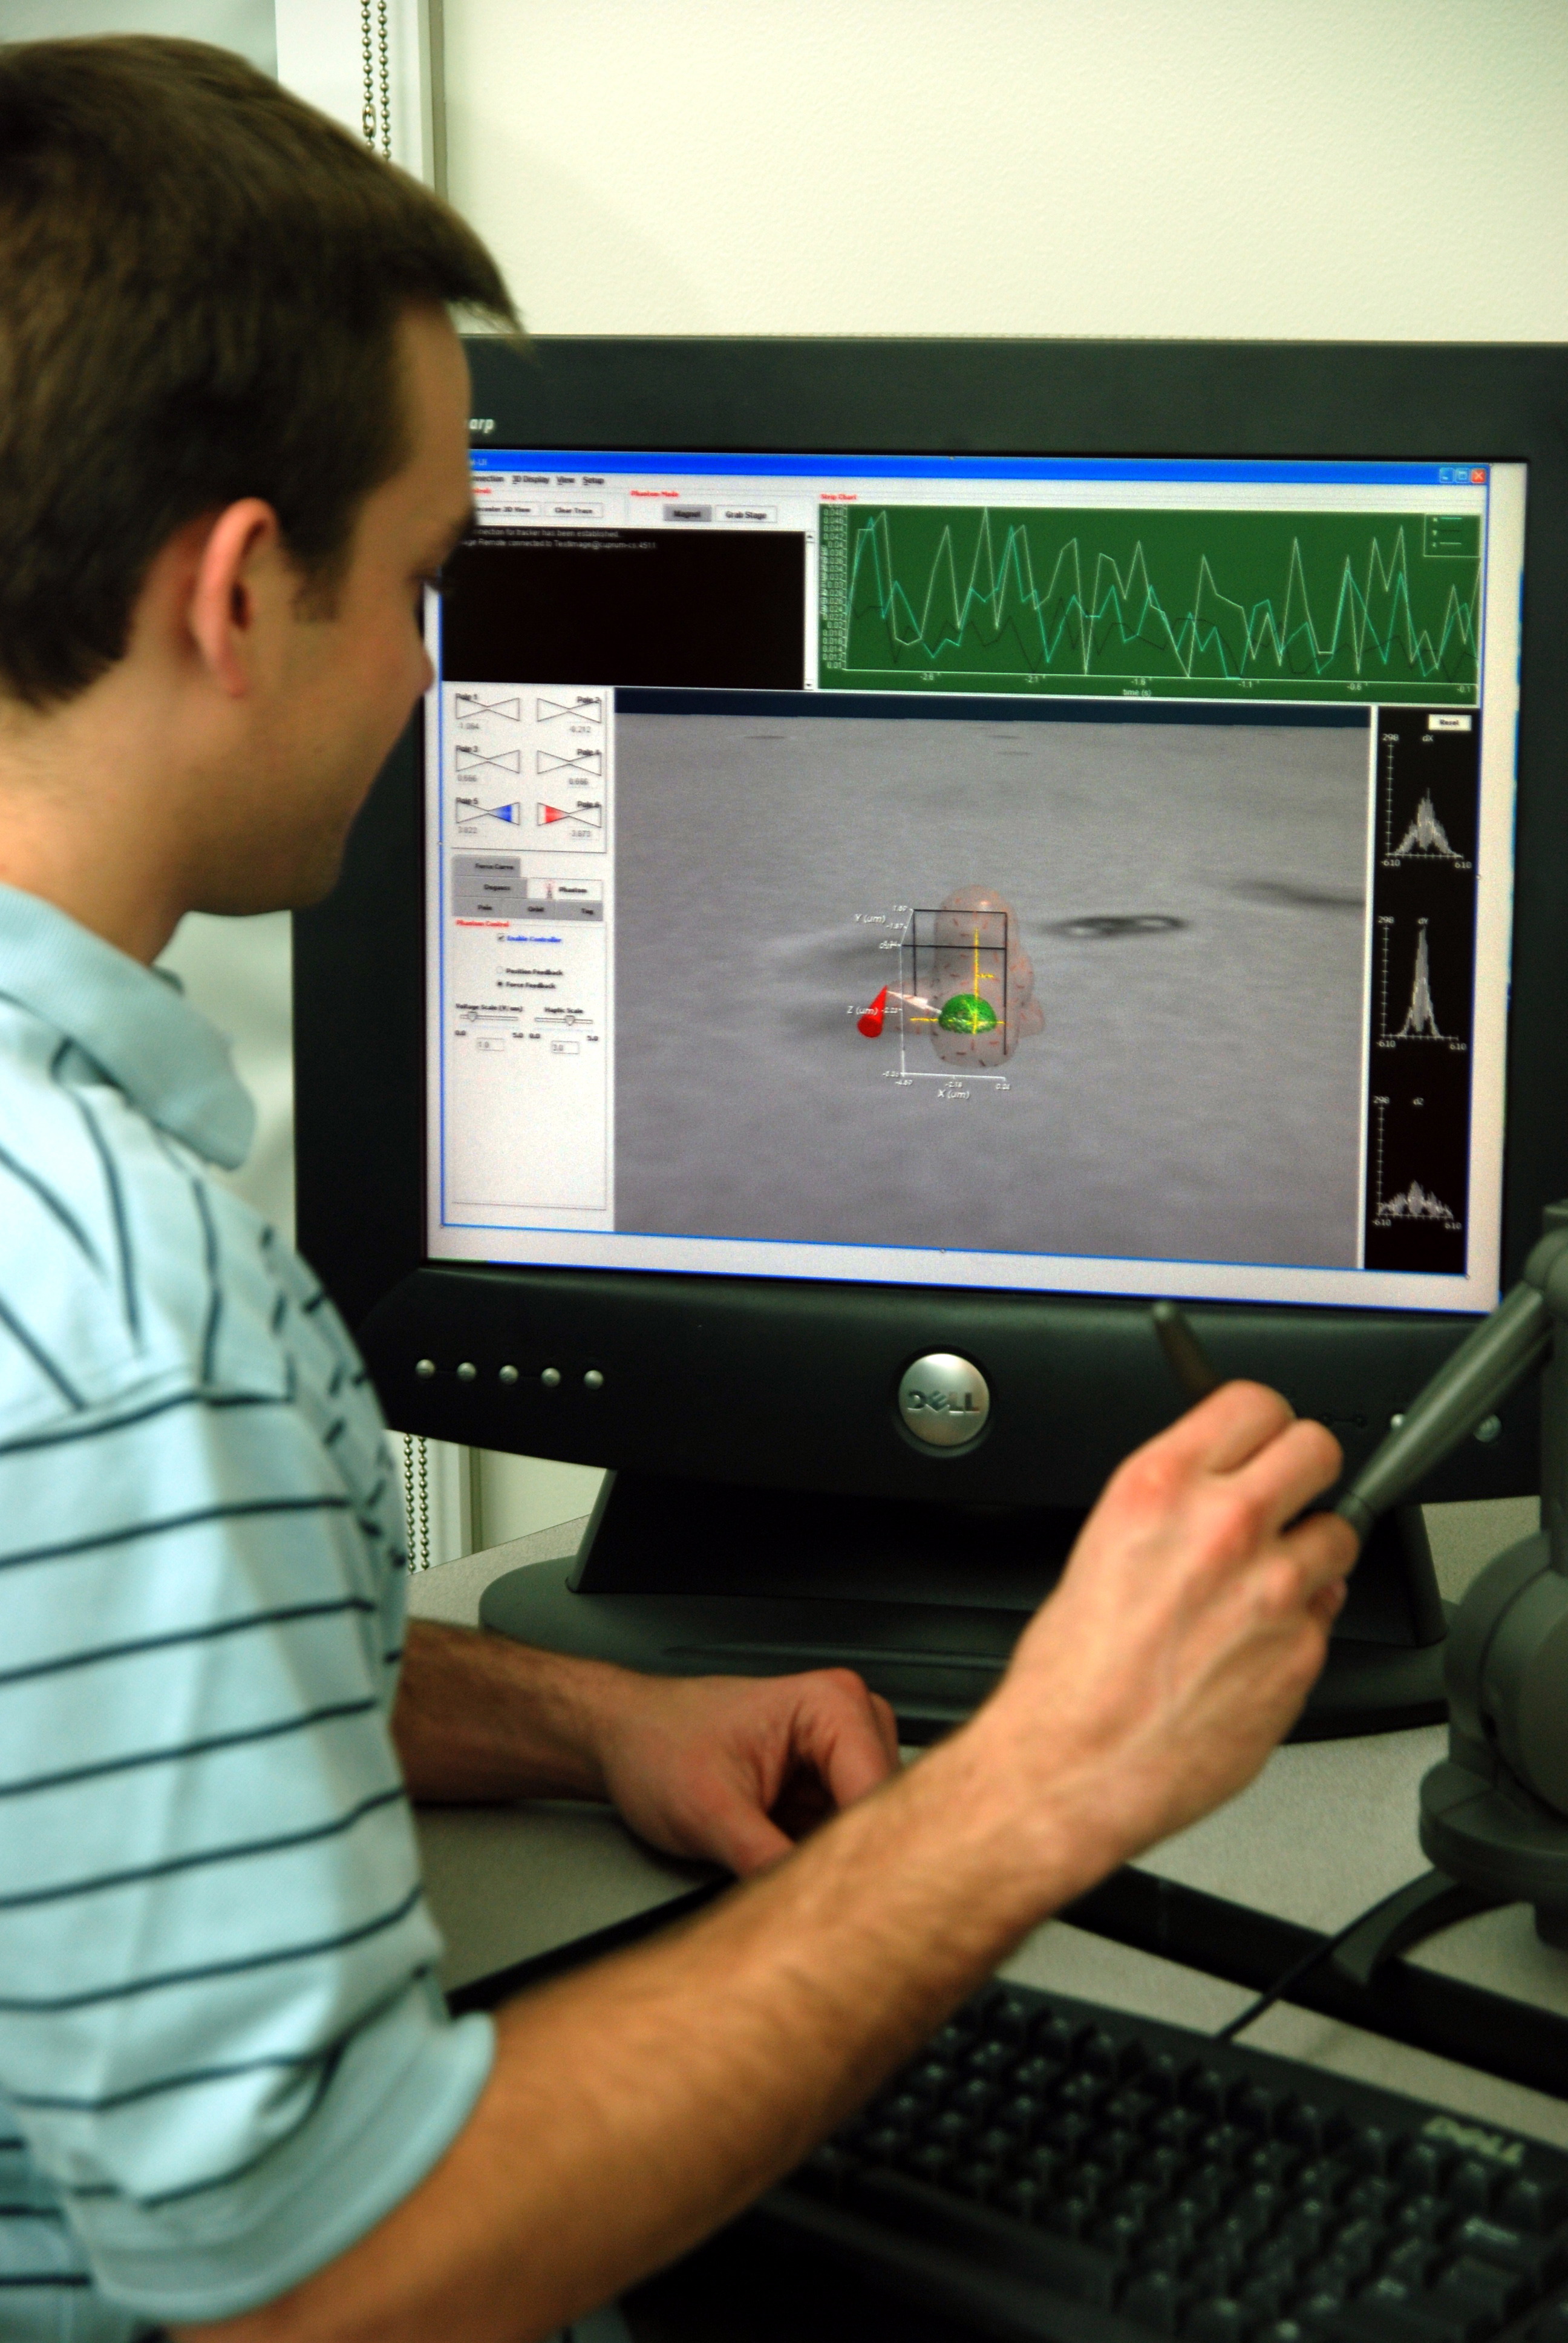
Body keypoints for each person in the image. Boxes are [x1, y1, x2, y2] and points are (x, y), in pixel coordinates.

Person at [0, 35, 1357, 2343]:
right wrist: (1026, 1794)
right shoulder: (114, 1297)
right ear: (239, 597)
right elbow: (328, 2294)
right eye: (427, 584)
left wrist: (583, 1720)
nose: (440, 683)